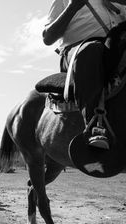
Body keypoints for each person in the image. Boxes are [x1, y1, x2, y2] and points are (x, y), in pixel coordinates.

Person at [43, 0, 126, 149]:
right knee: (92, 49)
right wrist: (73, 6)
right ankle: (95, 125)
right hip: (78, 52)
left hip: (115, 48)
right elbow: (47, 38)